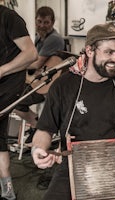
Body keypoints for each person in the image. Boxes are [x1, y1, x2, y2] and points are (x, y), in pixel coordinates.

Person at [31, 22, 115, 200]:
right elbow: (45, 129)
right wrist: (37, 149)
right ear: (90, 51)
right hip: (74, 164)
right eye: (109, 52)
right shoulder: (63, 86)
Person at [0, 5, 38, 200]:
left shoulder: (9, 18)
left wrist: (2, 70)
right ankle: (7, 191)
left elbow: (31, 54)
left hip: (8, 87)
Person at [14, 6, 65, 144]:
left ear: (53, 22)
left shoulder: (54, 39)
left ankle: (38, 126)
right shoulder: (39, 38)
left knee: (14, 101)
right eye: (39, 22)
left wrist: (17, 64)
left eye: (46, 22)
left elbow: (35, 64)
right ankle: (38, 125)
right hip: (38, 80)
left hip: (47, 85)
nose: (42, 25)